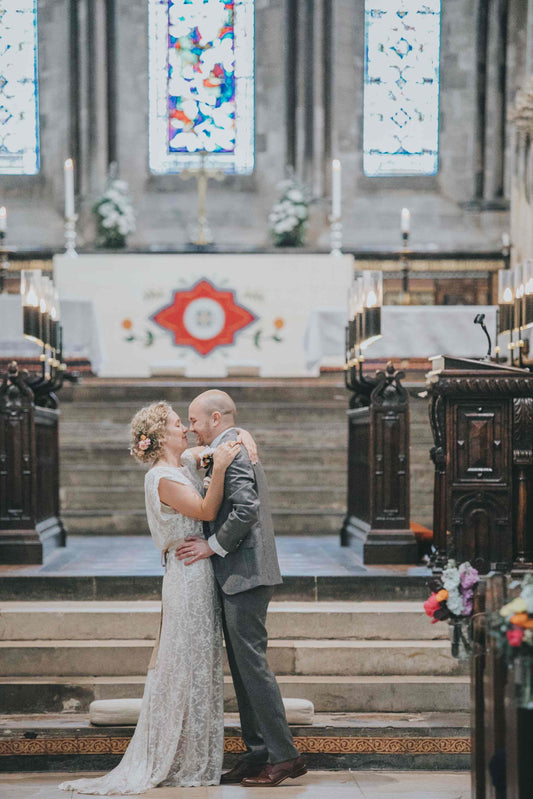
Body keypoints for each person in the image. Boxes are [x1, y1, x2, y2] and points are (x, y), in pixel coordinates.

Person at [59, 401, 246, 794]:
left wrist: (240, 442)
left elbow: (215, 445)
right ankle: (175, 758)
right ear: (161, 436)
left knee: (199, 662)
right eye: (180, 424)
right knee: (183, 662)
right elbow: (207, 507)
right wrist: (224, 466)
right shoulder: (162, 477)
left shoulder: (181, 466)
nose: (187, 430)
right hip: (188, 575)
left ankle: (193, 755)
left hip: (199, 572)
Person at [175, 389, 306, 788]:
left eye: (195, 420)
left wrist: (212, 546)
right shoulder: (225, 447)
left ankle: (285, 756)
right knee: (243, 669)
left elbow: (246, 509)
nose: (191, 427)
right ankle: (258, 752)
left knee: (253, 667)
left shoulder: (232, 450)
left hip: (245, 571)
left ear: (216, 418)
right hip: (238, 571)